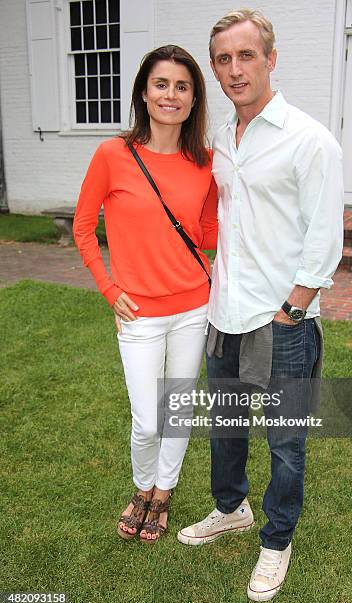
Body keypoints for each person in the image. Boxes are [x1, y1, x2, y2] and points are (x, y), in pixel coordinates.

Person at [177, 9, 344, 601]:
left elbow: (325, 240)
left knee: (285, 440)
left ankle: (277, 541)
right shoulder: (223, 137)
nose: (234, 69)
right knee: (225, 427)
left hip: (282, 320)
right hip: (224, 312)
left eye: (246, 55)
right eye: (223, 59)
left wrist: (293, 309)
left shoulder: (310, 139)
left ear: (271, 59)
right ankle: (231, 510)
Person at [73, 45, 217, 543]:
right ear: (143, 91)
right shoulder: (113, 154)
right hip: (139, 314)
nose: (170, 95)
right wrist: (109, 288)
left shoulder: (205, 162)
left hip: (194, 306)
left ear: (194, 97)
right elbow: (83, 228)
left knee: (177, 409)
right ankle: (142, 483)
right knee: (148, 419)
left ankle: (163, 492)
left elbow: (209, 228)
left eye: (182, 86)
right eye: (161, 84)